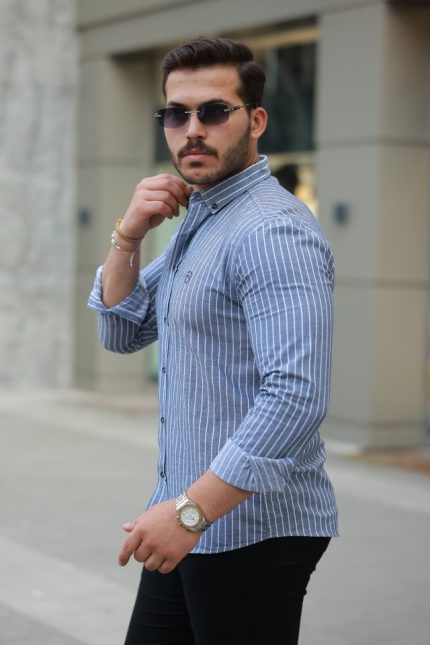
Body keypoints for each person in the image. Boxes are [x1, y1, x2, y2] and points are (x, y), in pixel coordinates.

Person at [88, 36, 338, 645]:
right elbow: (122, 330)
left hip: (250, 530)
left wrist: (190, 513)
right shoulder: (203, 218)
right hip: (187, 518)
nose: (192, 129)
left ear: (256, 120)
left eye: (214, 111)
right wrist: (128, 236)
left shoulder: (271, 231)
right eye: (177, 114)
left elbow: (296, 396)